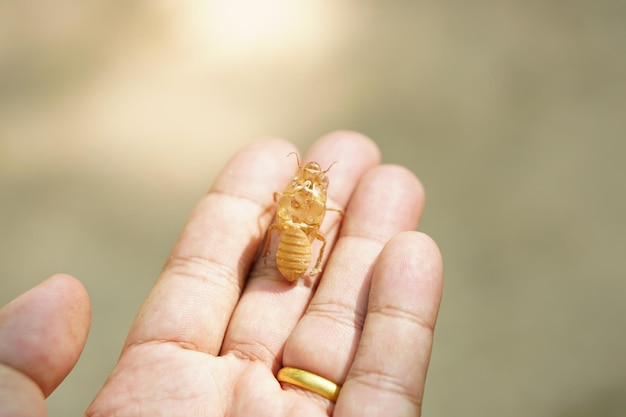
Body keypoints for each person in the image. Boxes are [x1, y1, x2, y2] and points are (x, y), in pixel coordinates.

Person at [0, 131, 443, 417]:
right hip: (300, 243)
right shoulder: (313, 208)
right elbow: (305, 217)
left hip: (291, 240)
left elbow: (280, 210)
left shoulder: (289, 201)